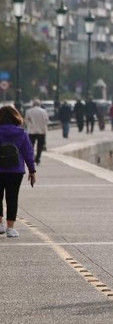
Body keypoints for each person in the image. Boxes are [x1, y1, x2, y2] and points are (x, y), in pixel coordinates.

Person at [0, 105, 36, 238]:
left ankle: (0, 225)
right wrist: (32, 170)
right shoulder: (21, 133)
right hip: (16, 170)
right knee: (12, 197)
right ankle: (10, 228)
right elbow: (28, 152)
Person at [24, 99, 48, 165]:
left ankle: (32, 157)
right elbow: (46, 120)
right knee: (40, 146)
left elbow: (26, 121)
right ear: (39, 104)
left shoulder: (28, 111)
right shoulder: (44, 111)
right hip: (41, 131)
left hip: (31, 131)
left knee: (31, 145)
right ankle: (38, 158)